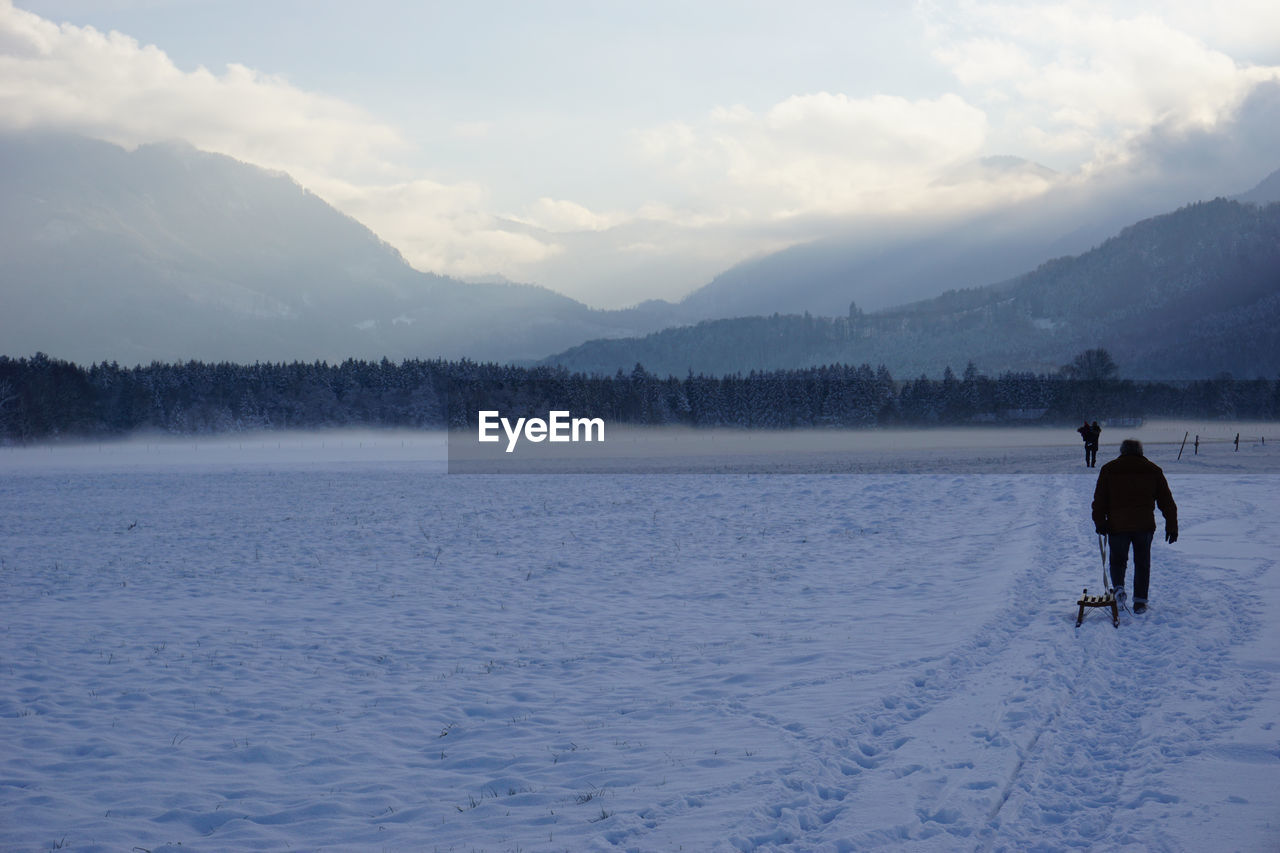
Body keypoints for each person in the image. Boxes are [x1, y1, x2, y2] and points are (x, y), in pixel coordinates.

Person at [1091, 439, 1177, 614]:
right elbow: (1167, 502)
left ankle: (1119, 589)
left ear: (1122, 451)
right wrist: (1172, 525)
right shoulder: (1153, 470)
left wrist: (1100, 522)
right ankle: (1140, 602)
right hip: (1144, 525)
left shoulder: (1109, 469)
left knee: (1118, 560)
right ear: (1140, 452)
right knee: (1142, 562)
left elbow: (1099, 500)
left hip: (1117, 524)